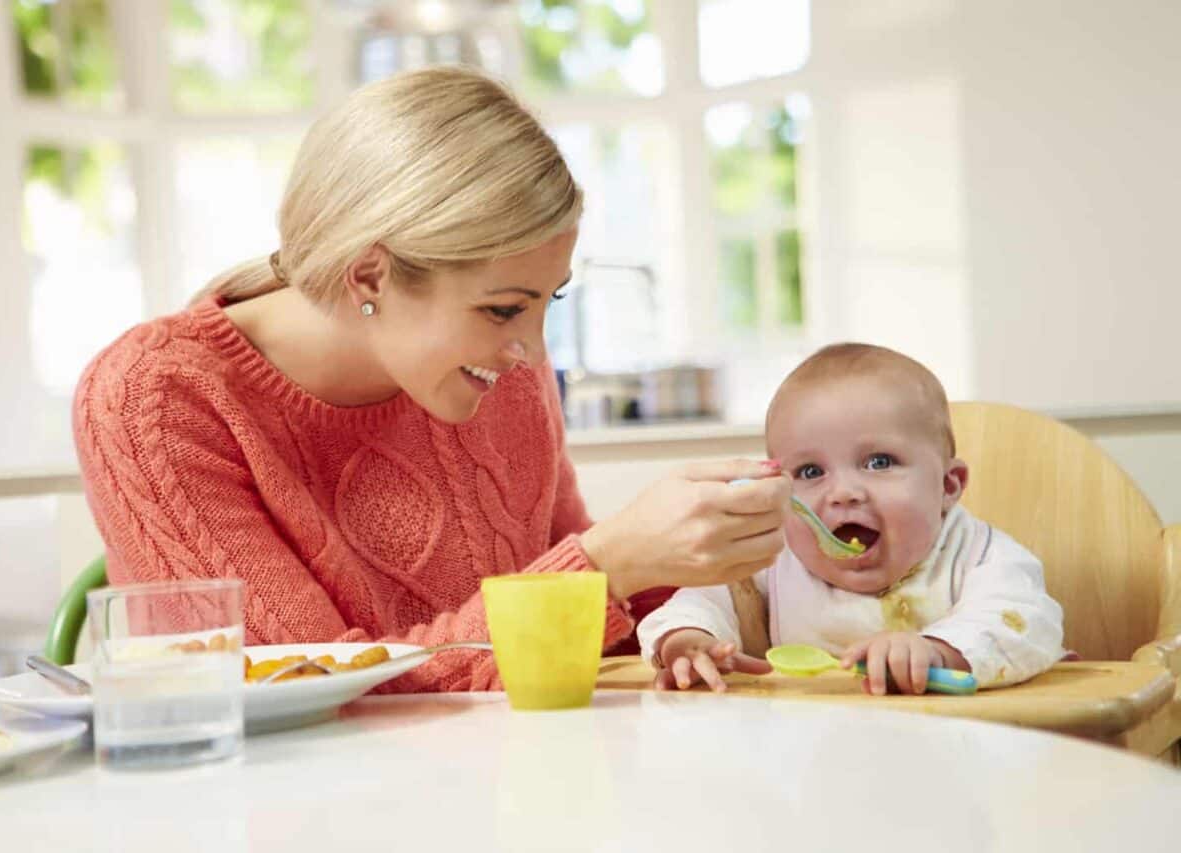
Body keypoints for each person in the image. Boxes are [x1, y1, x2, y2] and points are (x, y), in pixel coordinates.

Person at [73, 66, 790, 692]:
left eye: (548, 301)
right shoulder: (152, 399)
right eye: (504, 307)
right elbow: (300, 685)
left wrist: (705, 597)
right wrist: (606, 566)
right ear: (370, 275)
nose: (531, 352)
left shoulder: (494, 371)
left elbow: (586, 616)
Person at [638, 343, 1066, 695]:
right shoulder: (773, 558)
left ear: (948, 485)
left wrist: (939, 650)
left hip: (969, 753)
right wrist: (687, 641)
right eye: (810, 472)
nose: (843, 492)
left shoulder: (979, 554)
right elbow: (701, 600)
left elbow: (1023, 621)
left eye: (879, 462)